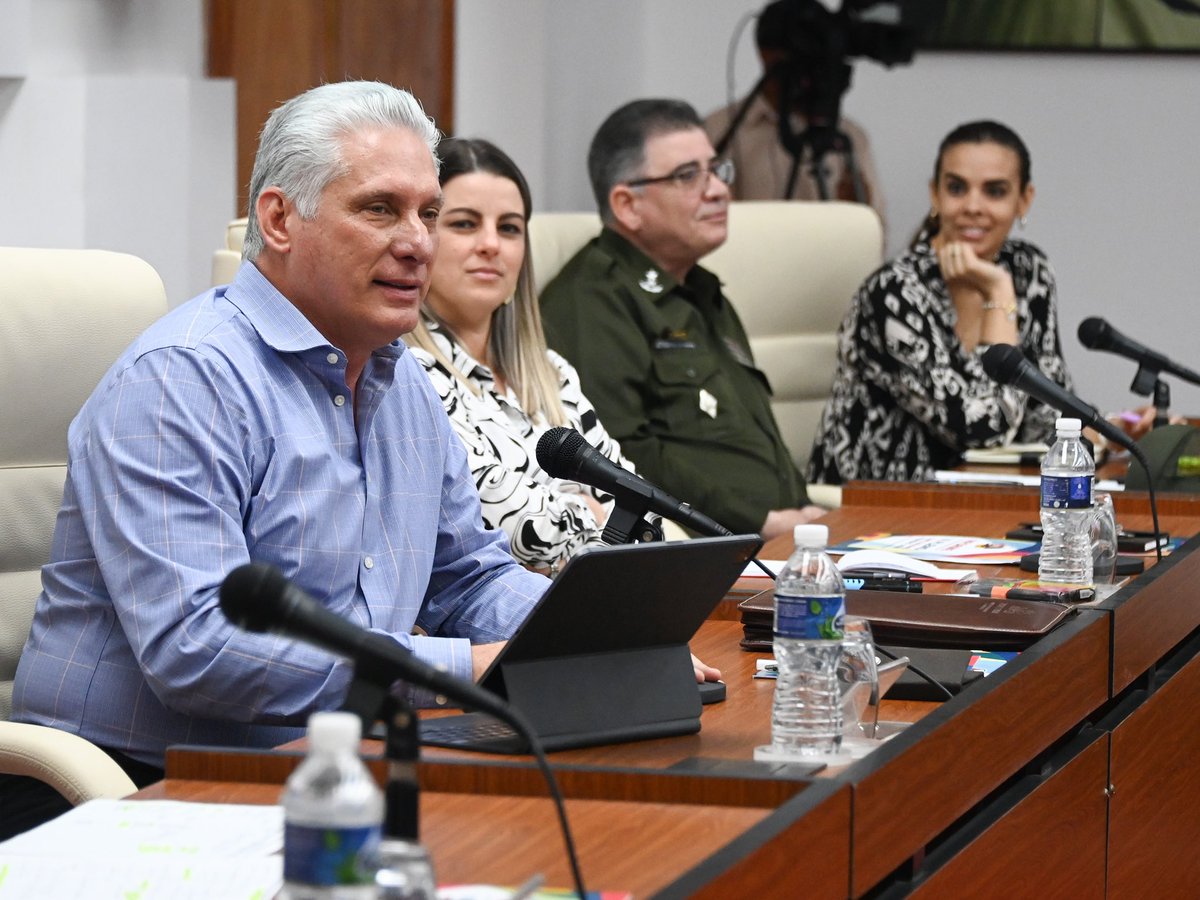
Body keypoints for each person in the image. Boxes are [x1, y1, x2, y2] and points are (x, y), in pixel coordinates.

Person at [4, 81, 557, 837]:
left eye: (428, 214)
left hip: (321, 768)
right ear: (278, 219)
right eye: (380, 209)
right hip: (129, 789)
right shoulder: (183, 379)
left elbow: (466, 575)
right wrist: (462, 670)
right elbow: (198, 648)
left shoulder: (401, 382)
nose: (418, 242)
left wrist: (584, 641)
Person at [540, 98, 824, 541]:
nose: (719, 190)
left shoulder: (701, 290)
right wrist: (758, 522)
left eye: (716, 170)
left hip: (790, 535)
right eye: (688, 176)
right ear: (627, 205)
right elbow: (620, 456)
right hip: (707, 547)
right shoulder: (592, 300)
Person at [405, 137, 640, 573]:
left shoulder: (553, 373)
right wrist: (589, 511)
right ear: (421, 236)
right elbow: (517, 533)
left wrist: (568, 514)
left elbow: (640, 508)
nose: (491, 244)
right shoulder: (406, 373)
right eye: (464, 224)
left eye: (509, 228)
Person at [807, 119, 1072, 484]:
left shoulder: (1029, 271)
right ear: (935, 194)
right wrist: (998, 294)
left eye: (995, 191)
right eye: (956, 188)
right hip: (876, 500)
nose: (973, 206)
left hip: (976, 494)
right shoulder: (892, 294)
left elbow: (1046, 413)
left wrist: (1098, 429)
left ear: (1024, 200)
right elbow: (983, 431)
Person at [703, 0, 886, 226]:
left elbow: (878, 234)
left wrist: (859, 218)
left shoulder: (850, 137)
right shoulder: (719, 129)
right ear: (767, 56)